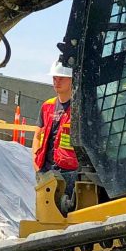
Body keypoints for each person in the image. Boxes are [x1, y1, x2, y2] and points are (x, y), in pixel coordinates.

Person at [32, 61, 79, 213]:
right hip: (46, 170)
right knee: (45, 214)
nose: (56, 81)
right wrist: (36, 165)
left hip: (68, 171)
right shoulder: (47, 106)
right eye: (54, 78)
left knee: (66, 212)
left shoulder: (78, 108)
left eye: (61, 78)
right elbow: (37, 136)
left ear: (72, 80)